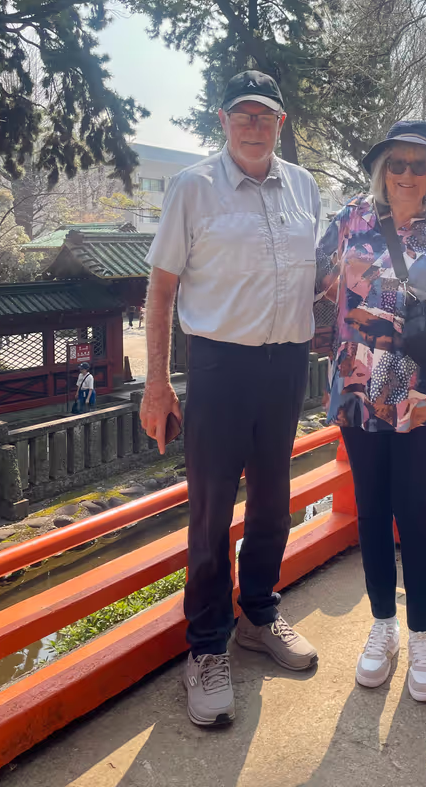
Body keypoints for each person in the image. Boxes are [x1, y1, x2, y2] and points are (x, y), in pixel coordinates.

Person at [141, 69, 321, 728]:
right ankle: (208, 646)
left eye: (265, 115)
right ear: (223, 120)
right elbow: (160, 292)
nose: (253, 125)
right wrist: (157, 382)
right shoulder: (193, 188)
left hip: (287, 364)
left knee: (274, 497)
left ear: (282, 123)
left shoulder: (305, 188)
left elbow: (320, 281)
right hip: (218, 365)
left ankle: (260, 614)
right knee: (213, 508)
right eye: (242, 114)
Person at [315, 120, 426, 704]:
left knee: (415, 508)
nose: (408, 174)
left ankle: (423, 634)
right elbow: (311, 285)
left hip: (421, 391)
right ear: (383, 169)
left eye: (420, 165)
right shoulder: (349, 220)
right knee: (373, 508)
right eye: (398, 164)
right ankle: (382, 624)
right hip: (358, 386)